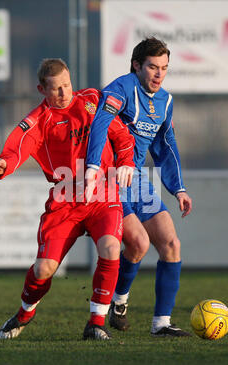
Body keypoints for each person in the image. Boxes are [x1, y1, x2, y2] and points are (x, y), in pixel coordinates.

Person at [0, 58, 135, 341]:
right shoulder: (39, 119)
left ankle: (96, 323)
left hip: (102, 194)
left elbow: (121, 136)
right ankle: (25, 312)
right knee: (44, 268)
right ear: (41, 89)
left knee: (111, 247)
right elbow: (18, 145)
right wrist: (5, 164)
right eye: (55, 89)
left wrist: (127, 161)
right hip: (65, 200)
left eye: (66, 85)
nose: (64, 93)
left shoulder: (92, 100)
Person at [85, 37, 193, 337]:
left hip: (137, 180)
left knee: (171, 244)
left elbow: (166, 145)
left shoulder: (165, 102)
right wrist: (93, 166)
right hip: (109, 179)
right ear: (136, 65)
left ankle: (160, 323)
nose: (159, 74)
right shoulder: (120, 89)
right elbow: (100, 124)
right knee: (138, 244)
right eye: (152, 67)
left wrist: (178, 188)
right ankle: (116, 303)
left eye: (164, 68)